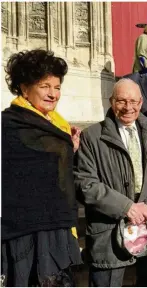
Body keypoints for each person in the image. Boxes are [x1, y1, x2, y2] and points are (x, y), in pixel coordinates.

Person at [74, 78, 147, 287]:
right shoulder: (92, 136)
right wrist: (126, 207)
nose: (128, 107)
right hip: (109, 229)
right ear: (111, 102)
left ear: (140, 103)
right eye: (121, 101)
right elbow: (85, 183)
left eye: (133, 101)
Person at [2, 49, 82, 286]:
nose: (53, 93)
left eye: (57, 87)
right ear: (24, 88)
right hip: (25, 230)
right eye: (45, 86)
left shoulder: (57, 124)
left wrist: (69, 148)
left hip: (57, 226)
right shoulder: (9, 124)